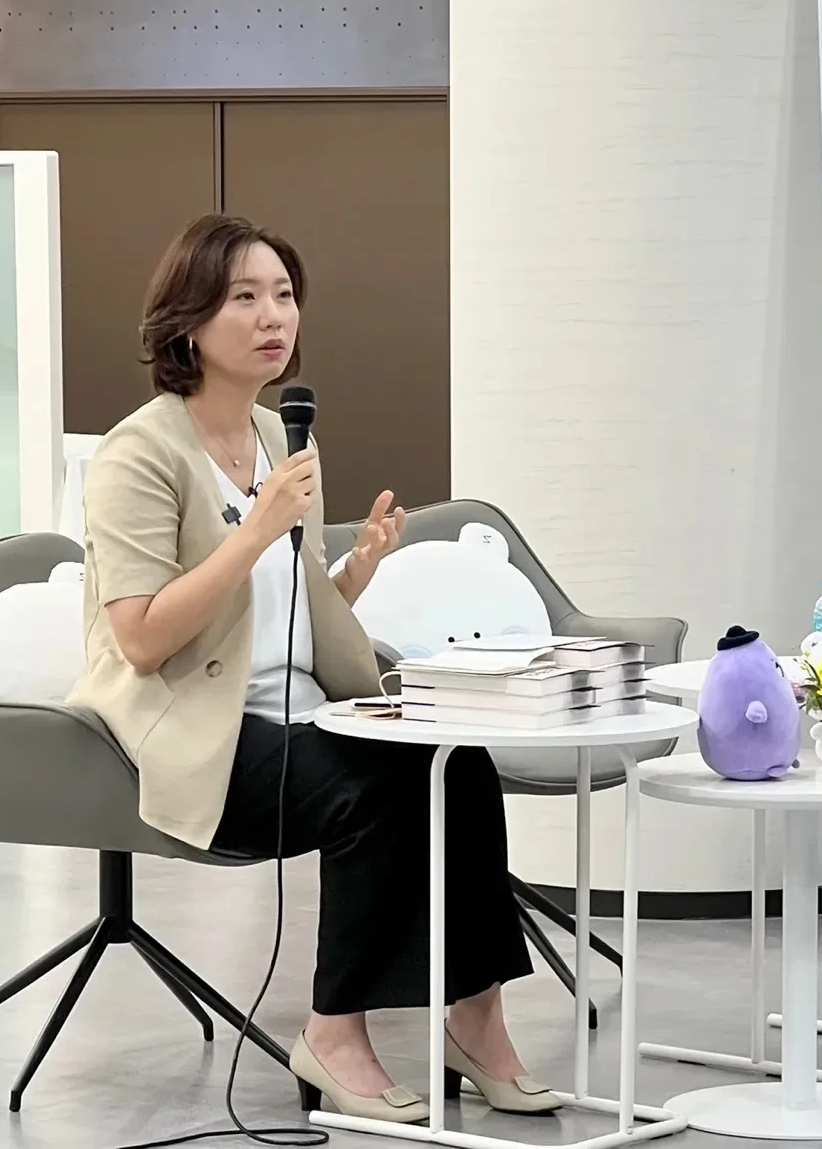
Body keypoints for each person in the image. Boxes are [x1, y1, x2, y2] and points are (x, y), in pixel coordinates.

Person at [68, 213, 556, 1124]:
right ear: (187, 321)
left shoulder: (281, 437)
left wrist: (352, 573)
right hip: (194, 731)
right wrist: (256, 528)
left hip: (299, 711)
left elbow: (279, 610)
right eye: (243, 297)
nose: (272, 317)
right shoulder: (139, 452)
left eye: (284, 295)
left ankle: (476, 1021)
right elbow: (140, 638)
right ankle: (333, 1034)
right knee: (372, 784)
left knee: (459, 763)